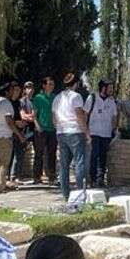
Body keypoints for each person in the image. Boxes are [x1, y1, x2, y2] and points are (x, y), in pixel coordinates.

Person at [53, 70, 90, 200]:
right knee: (79, 162)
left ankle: (65, 194)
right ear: (76, 84)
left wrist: (59, 128)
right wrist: (87, 132)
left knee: (64, 165)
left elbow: (54, 118)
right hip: (75, 132)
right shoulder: (76, 96)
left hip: (61, 132)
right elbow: (80, 116)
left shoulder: (57, 97)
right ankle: (80, 193)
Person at [86, 80, 119, 188]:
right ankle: (93, 179)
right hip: (94, 132)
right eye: (110, 88)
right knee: (94, 155)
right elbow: (85, 113)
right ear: (103, 88)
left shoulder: (112, 101)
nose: (112, 90)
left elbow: (114, 117)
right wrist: (85, 130)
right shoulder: (92, 98)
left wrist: (115, 129)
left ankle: (100, 179)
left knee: (103, 157)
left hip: (106, 134)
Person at [0, 81, 21, 193]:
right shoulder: (6, 104)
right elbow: (9, 121)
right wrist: (19, 134)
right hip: (4, 136)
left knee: (0, 160)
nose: (15, 92)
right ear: (7, 92)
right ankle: (1, 186)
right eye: (13, 90)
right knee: (5, 163)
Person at [32, 76, 58, 185]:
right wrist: (38, 126)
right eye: (49, 84)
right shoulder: (38, 97)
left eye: (53, 84)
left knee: (52, 154)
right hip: (41, 130)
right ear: (44, 85)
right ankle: (37, 177)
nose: (52, 86)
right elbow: (34, 114)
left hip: (53, 130)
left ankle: (52, 177)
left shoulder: (55, 97)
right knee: (39, 154)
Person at [10, 81, 37, 182]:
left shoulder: (35, 101)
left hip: (34, 130)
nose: (29, 90)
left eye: (31, 88)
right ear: (24, 89)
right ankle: (14, 175)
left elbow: (36, 115)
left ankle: (36, 176)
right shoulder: (21, 101)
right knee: (19, 154)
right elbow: (23, 116)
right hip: (23, 131)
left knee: (38, 153)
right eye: (27, 88)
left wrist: (31, 117)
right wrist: (32, 117)